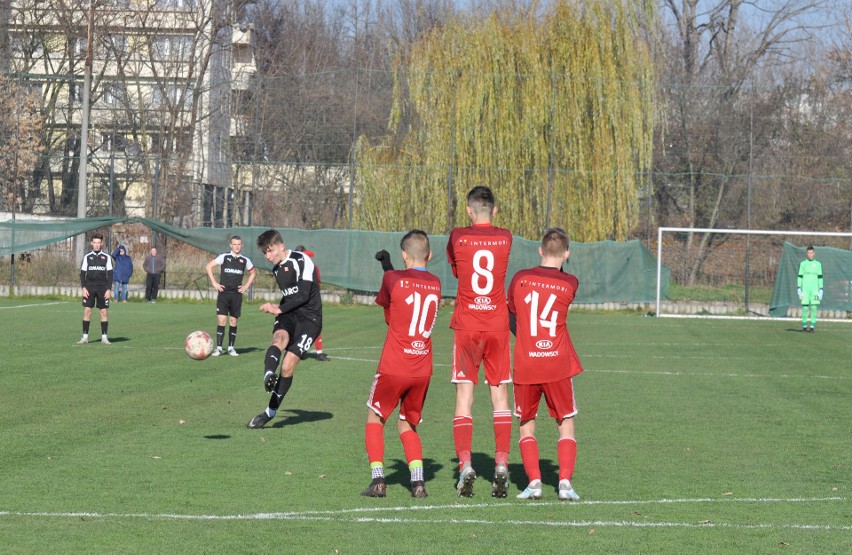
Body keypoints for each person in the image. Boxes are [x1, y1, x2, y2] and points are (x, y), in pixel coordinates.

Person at [361, 232, 442, 499]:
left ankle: (378, 480)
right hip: (422, 368)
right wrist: (391, 270)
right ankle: (418, 483)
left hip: (395, 364)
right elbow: (409, 289)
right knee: (407, 424)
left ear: (404, 255)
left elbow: (390, 309)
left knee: (376, 417)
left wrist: (387, 267)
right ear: (429, 255)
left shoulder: (392, 278)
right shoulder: (436, 283)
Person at [446, 185, 513, 498]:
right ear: (495, 211)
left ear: (469, 210)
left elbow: (459, 272)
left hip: (468, 325)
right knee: (500, 397)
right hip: (497, 326)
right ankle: (501, 462)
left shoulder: (458, 236)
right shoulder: (505, 237)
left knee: (464, 397)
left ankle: (465, 464)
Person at [507, 227, 583, 501]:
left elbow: (511, 316)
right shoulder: (570, 283)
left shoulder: (520, 278)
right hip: (558, 364)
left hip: (527, 363)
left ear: (539, 250)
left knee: (527, 424)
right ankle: (564, 483)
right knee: (565, 423)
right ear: (567, 254)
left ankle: (535, 483)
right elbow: (559, 281)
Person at [246, 229, 323, 429]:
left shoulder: (301, 260)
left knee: (288, 365)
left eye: (270, 251)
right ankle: (268, 374)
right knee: (278, 339)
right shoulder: (276, 269)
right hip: (289, 313)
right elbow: (290, 296)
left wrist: (277, 308)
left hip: (310, 319)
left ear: (281, 246)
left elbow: (304, 294)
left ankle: (269, 413)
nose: (268, 256)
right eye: (265, 253)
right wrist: (280, 310)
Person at [205, 236, 256, 356]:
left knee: (233, 321)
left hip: (236, 295)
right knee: (222, 320)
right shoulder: (224, 257)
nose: (237, 246)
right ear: (230, 245)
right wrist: (214, 283)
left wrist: (246, 286)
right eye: (234, 244)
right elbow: (208, 267)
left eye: (239, 244)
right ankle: (218, 348)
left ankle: (231, 348)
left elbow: (253, 273)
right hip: (224, 294)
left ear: (241, 245)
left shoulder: (245, 260)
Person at [294, 245, 329, 361]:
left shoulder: (308, 267)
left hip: (305, 300)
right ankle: (305, 351)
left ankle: (304, 351)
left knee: (306, 325)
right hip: (305, 301)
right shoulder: (310, 267)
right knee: (311, 324)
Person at [78, 233, 113, 345]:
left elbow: (110, 274)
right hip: (89, 287)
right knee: (87, 310)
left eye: (99, 242)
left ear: (101, 243)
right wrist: (83, 288)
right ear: (92, 243)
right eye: (95, 243)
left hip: (102, 287)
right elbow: (82, 274)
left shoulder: (106, 257)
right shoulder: (87, 257)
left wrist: (108, 289)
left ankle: (104, 337)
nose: (97, 245)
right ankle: (85, 337)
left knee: (103, 312)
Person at [797, 245, 824, 333]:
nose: (810, 254)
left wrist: (821, 289)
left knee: (814, 307)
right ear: (806, 254)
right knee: (805, 308)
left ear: (814, 253)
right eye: (809, 253)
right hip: (805, 290)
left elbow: (820, 277)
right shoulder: (803, 264)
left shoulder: (818, 264)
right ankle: (804, 326)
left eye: (812, 253)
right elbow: (800, 277)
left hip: (815, 290)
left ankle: (812, 327)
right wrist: (798, 288)